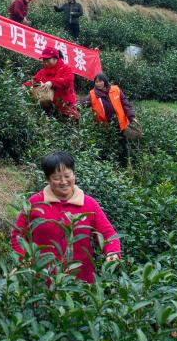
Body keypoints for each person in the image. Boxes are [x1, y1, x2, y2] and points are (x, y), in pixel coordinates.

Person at [11, 151, 122, 284]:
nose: (63, 182)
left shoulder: (89, 204)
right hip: (42, 283)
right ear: (48, 179)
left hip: (81, 283)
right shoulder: (35, 203)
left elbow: (107, 234)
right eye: (56, 178)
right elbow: (18, 235)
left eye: (67, 176)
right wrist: (23, 260)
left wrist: (112, 253)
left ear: (74, 174)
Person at [81, 73, 136, 164]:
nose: (98, 84)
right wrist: (71, 106)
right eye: (96, 82)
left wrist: (131, 116)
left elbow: (125, 104)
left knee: (123, 144)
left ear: (105, 81)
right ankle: (110, 165)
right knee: (107, 146)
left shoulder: (116, 90)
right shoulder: (93, 94)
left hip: (119, 123)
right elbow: (81, 104)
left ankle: (127, 164)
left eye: (100, 81)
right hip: (104, 126)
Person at [24, 46, 78, 122]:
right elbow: (33, 81)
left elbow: (67, 81)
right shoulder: (43, 72)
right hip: (49, 107)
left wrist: (52, 83)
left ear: (55, 58)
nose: (45, 62)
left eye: (47, 59)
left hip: (65, 107)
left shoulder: (66, 69)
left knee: (68, 124)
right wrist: (24, 86)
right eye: (44, 60)